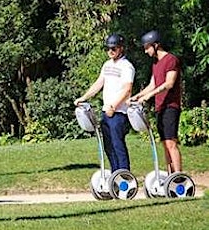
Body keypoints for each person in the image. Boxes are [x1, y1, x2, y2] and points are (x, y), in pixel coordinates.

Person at [74, 34, 135, 172]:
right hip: (106, 112)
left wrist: (114, 106)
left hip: (119, 112)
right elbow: (99, 83)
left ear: (121, 48)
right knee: (108, 145)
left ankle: (124, 174)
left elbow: (127, 90)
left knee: (117, 144)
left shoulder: (127, 66)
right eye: (108, 48)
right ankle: (115, 174)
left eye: (113, 48)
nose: (110, 51)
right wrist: (84, 97)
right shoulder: (107, 65)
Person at [129, 30, 183, 173]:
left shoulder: (171, 60)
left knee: (171, 143)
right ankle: (171, 176)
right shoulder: (156, 64)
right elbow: (152, 85)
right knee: (165, 144)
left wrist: (150, 96)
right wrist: (138, 96)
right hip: (160, 107)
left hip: (171, 106)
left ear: (156, 45)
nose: (146, 51)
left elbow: (169, 83)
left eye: (147, 47)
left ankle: (179, 176)